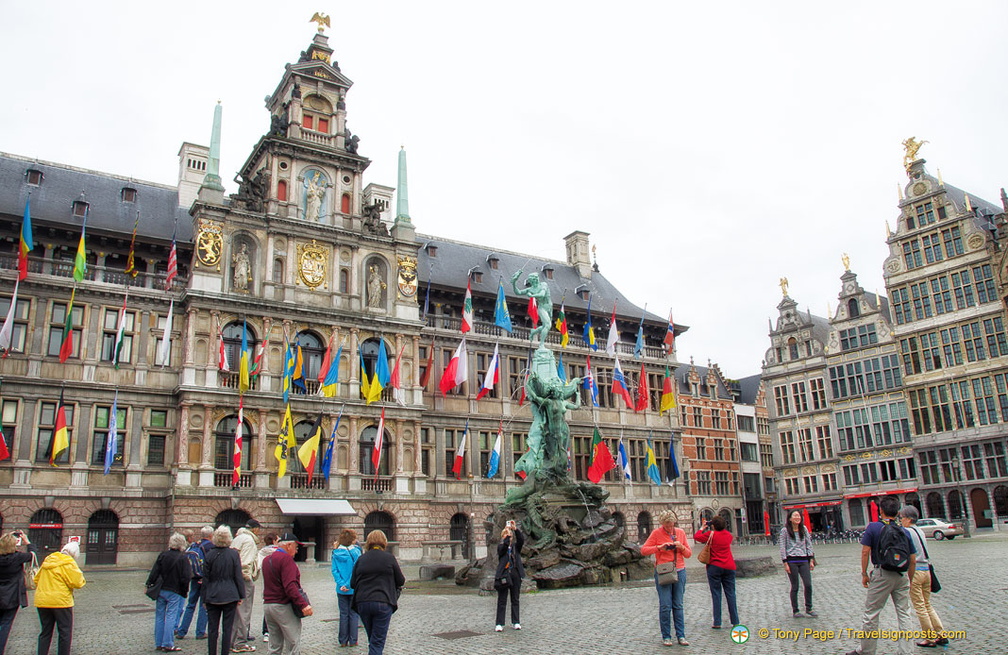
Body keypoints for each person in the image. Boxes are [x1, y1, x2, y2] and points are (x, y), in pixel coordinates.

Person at [845, 496, 917, 655]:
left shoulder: (873, 528)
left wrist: (864, 573)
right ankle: (906, 651)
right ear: (898, 512)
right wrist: (909, 579)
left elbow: (865, 552)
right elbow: (912, 560)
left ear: (881, 510)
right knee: (904, 613)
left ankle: (867, 650)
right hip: (901, 575)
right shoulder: (904, 531)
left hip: (882, 574)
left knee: (872, 613)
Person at [899, 506, 948, 648]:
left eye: (902, 518)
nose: (901, 520)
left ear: (909, 519)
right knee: (927, 604)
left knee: (920, 606)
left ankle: (929, 638)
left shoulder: (906, 532)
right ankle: (941, 635)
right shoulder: (920, 530)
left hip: (916, 571)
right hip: (927, 570)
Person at [640, 510, 692, 647]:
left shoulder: (680, 532)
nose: (669, 528)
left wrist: (680, 547)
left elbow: (688, 554)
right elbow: (644, 550)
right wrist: (659, 548)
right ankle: (666, 636)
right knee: (665, 605)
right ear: (662, 524)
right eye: (666, 525)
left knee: (678, 604)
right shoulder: (656, 533)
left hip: (679, 570)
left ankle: (681, 635)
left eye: (671, 525)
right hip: (663, 571)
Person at [350, 529, 405, 655]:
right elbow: (401, 580)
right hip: (383, 602)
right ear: (384, 542)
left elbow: (353, 583)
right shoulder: (389, 558)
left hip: (363, 603)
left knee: (373, 639)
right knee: (377, 641)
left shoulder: (361, 559)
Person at [261, 532, 313, 655]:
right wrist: (303, 604)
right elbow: (290, 586)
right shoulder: (286, 560)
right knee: (293, 644)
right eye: (296, 548)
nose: (296, 552)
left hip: (268, 605)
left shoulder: (267, 560)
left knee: (274, 645)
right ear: (289, 545)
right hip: (283, 606)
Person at [34, 540, 86, 655]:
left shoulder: (48, 560)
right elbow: (78, 583)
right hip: (61, 602)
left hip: (42, 601)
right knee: (64, 632)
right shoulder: (69, 563)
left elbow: (36, 579)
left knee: (45, 632)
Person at [202, 526, 245, 655]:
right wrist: (241, 595)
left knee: (212, 629)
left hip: (212, 595)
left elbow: (205, 579)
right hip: (230, 594)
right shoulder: (233, 554)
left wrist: (204, 597)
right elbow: (238, 575)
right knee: (227, 628)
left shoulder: (209, 555)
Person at [146, 532, 192, 652]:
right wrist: (184, 590)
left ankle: (159, 643)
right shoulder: (183, 558)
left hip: (161, 589)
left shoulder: (163, 555)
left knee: (160, 616)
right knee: (171, 616)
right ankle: (168, 643)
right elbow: (186, 577)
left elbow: (155, 571)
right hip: (175, 590)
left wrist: (148, 584)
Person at [694, 515, 740, 630]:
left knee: (716, 594)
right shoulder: (729, 536)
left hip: (714, 566)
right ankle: (735, 621)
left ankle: (717, 622)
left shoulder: (711, 534)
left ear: (713, 525)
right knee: (731, 593)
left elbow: (697, 537)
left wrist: (702, 528)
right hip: (729, 566)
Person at [0, 530, 38, 654]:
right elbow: (33, 554)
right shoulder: (18, 557)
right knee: (6, 624)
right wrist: (27, 542)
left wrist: (7, 536)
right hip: (12, 596)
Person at [230, 519, 262, 653]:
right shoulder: (249, 541)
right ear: (255, 529)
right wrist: (247, 578)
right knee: (244, 611)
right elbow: (245, 563)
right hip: (243, 579)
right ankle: (240, 642)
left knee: (236, 612)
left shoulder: (237, 538)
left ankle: (231, 640)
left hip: (232, 578)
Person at [779, 510, 817, 618]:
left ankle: (809, 608)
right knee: (795, 586)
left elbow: (809, 544)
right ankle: (795, 610)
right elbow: (782, 547)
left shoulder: (803, 529)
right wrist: (785, 562)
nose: (797, 518)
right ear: (790, 518)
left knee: (808, 584)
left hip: (804, 559)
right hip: (791, 561)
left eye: (798, 516)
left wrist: (811, 559)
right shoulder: (785, 531)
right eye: (795, 516)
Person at [175, 531, 209, 640]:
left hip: (194, 578)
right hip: (204, 579)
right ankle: (200, 632)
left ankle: (182, 631)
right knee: (203, 606)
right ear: (211, 535)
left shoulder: (194, 546)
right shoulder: (209, 547)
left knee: (190, 605)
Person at [493, 520, 525, 633]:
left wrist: (514, 529)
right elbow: (504, 546)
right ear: (503, 537)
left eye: (510, 536)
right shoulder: (501, 547)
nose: (509, 537)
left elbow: (521, 539)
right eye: (506, 535)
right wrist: (506, 533)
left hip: (515, 574)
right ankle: (499, 623)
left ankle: (516, 621)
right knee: (502, 600)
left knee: (515, 599)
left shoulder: (516, 547)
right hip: (504, 575)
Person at [331, 529, 361, 647]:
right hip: (353, 588)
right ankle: (353, 640)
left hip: (340, 589)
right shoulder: (356, 552)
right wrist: (348, 584)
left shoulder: (336, 552)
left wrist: (341, 584)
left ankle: (343, 640)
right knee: (353, 614)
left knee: (343, 614)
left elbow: (334, 570)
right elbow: (356, 570)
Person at [256, 532, 280, 643]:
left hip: (266, 581)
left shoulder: (261, 552)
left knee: (268, 606)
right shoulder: (279, 552)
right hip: (278, 582)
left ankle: (266, 631)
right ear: (274, 541)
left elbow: (258, 565)